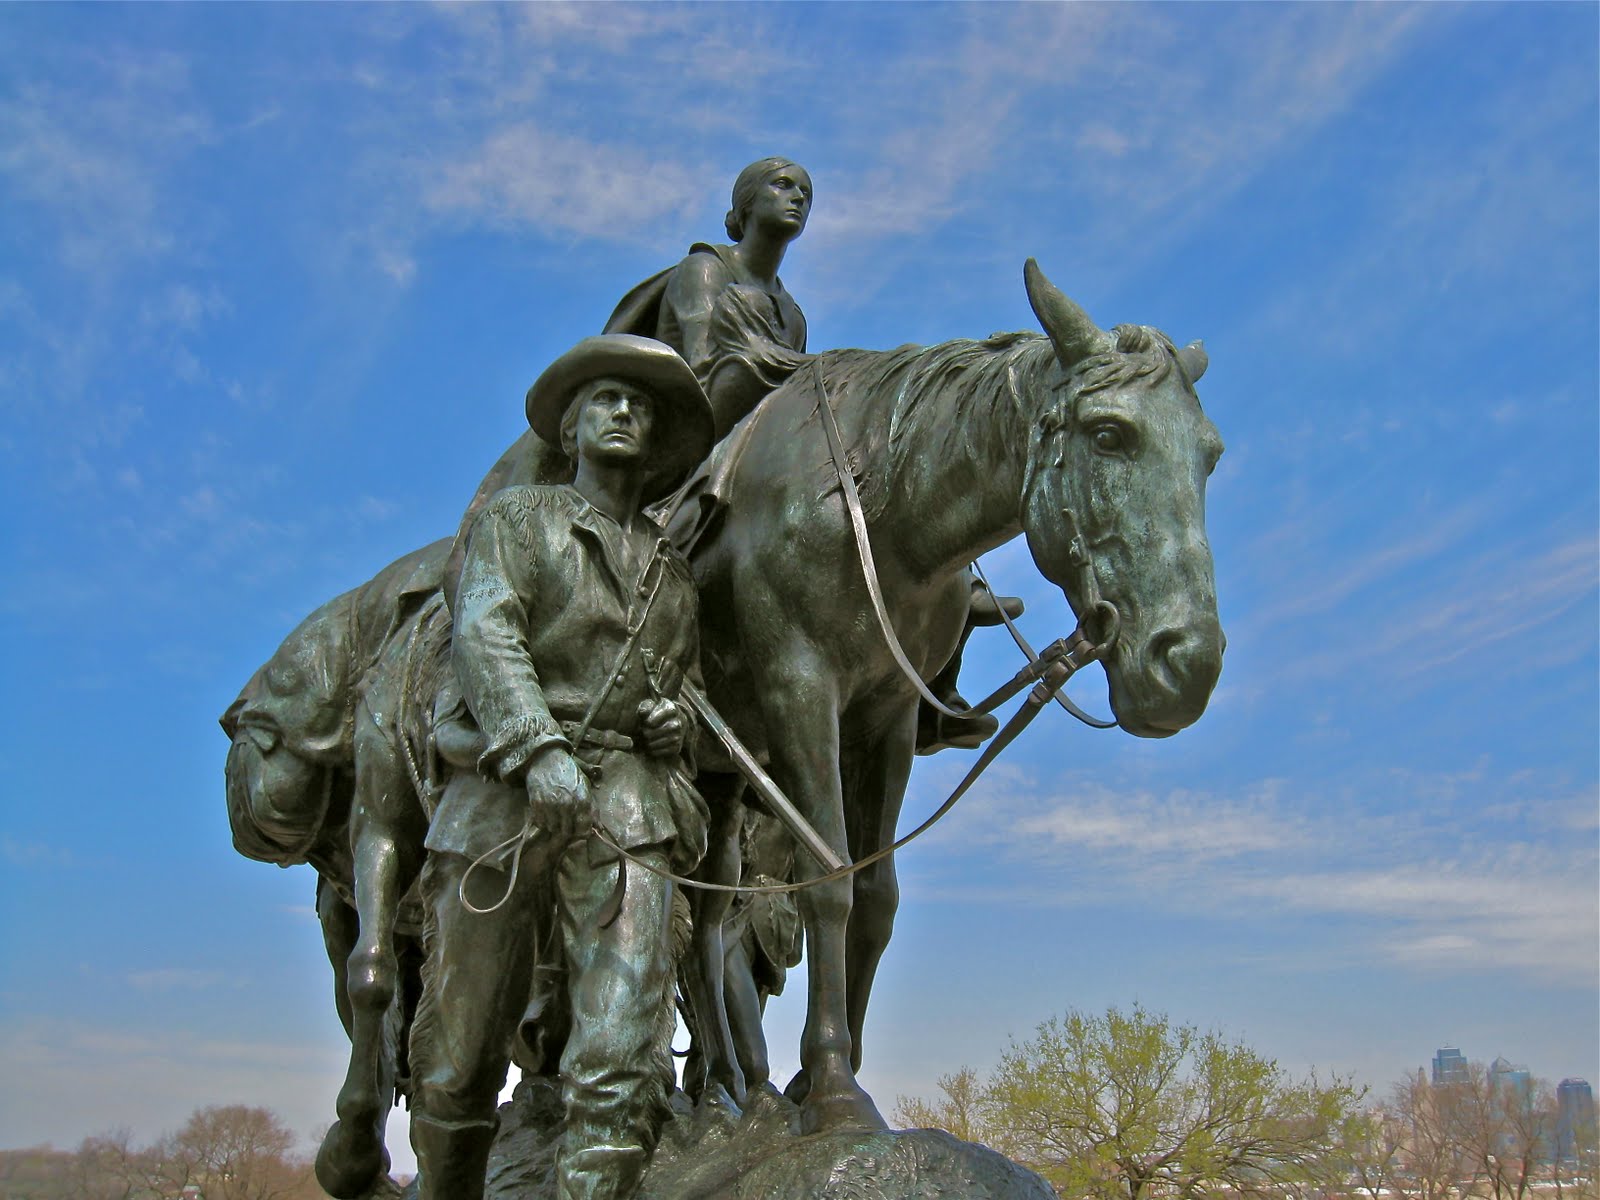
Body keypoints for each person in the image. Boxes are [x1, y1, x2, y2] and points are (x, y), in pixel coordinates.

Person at [408, 334, 715, 1200]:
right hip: (505, 791)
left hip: (627, 806)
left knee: (620, 1056)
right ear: (573, 426)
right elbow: (485, 634)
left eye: (640, 406)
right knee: (459, 1056)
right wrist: (540, 748)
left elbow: (685, 686)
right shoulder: (516, 522)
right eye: (606, 400)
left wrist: (670, 723)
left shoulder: (672, 571)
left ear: (655, 440)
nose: (624, 413)